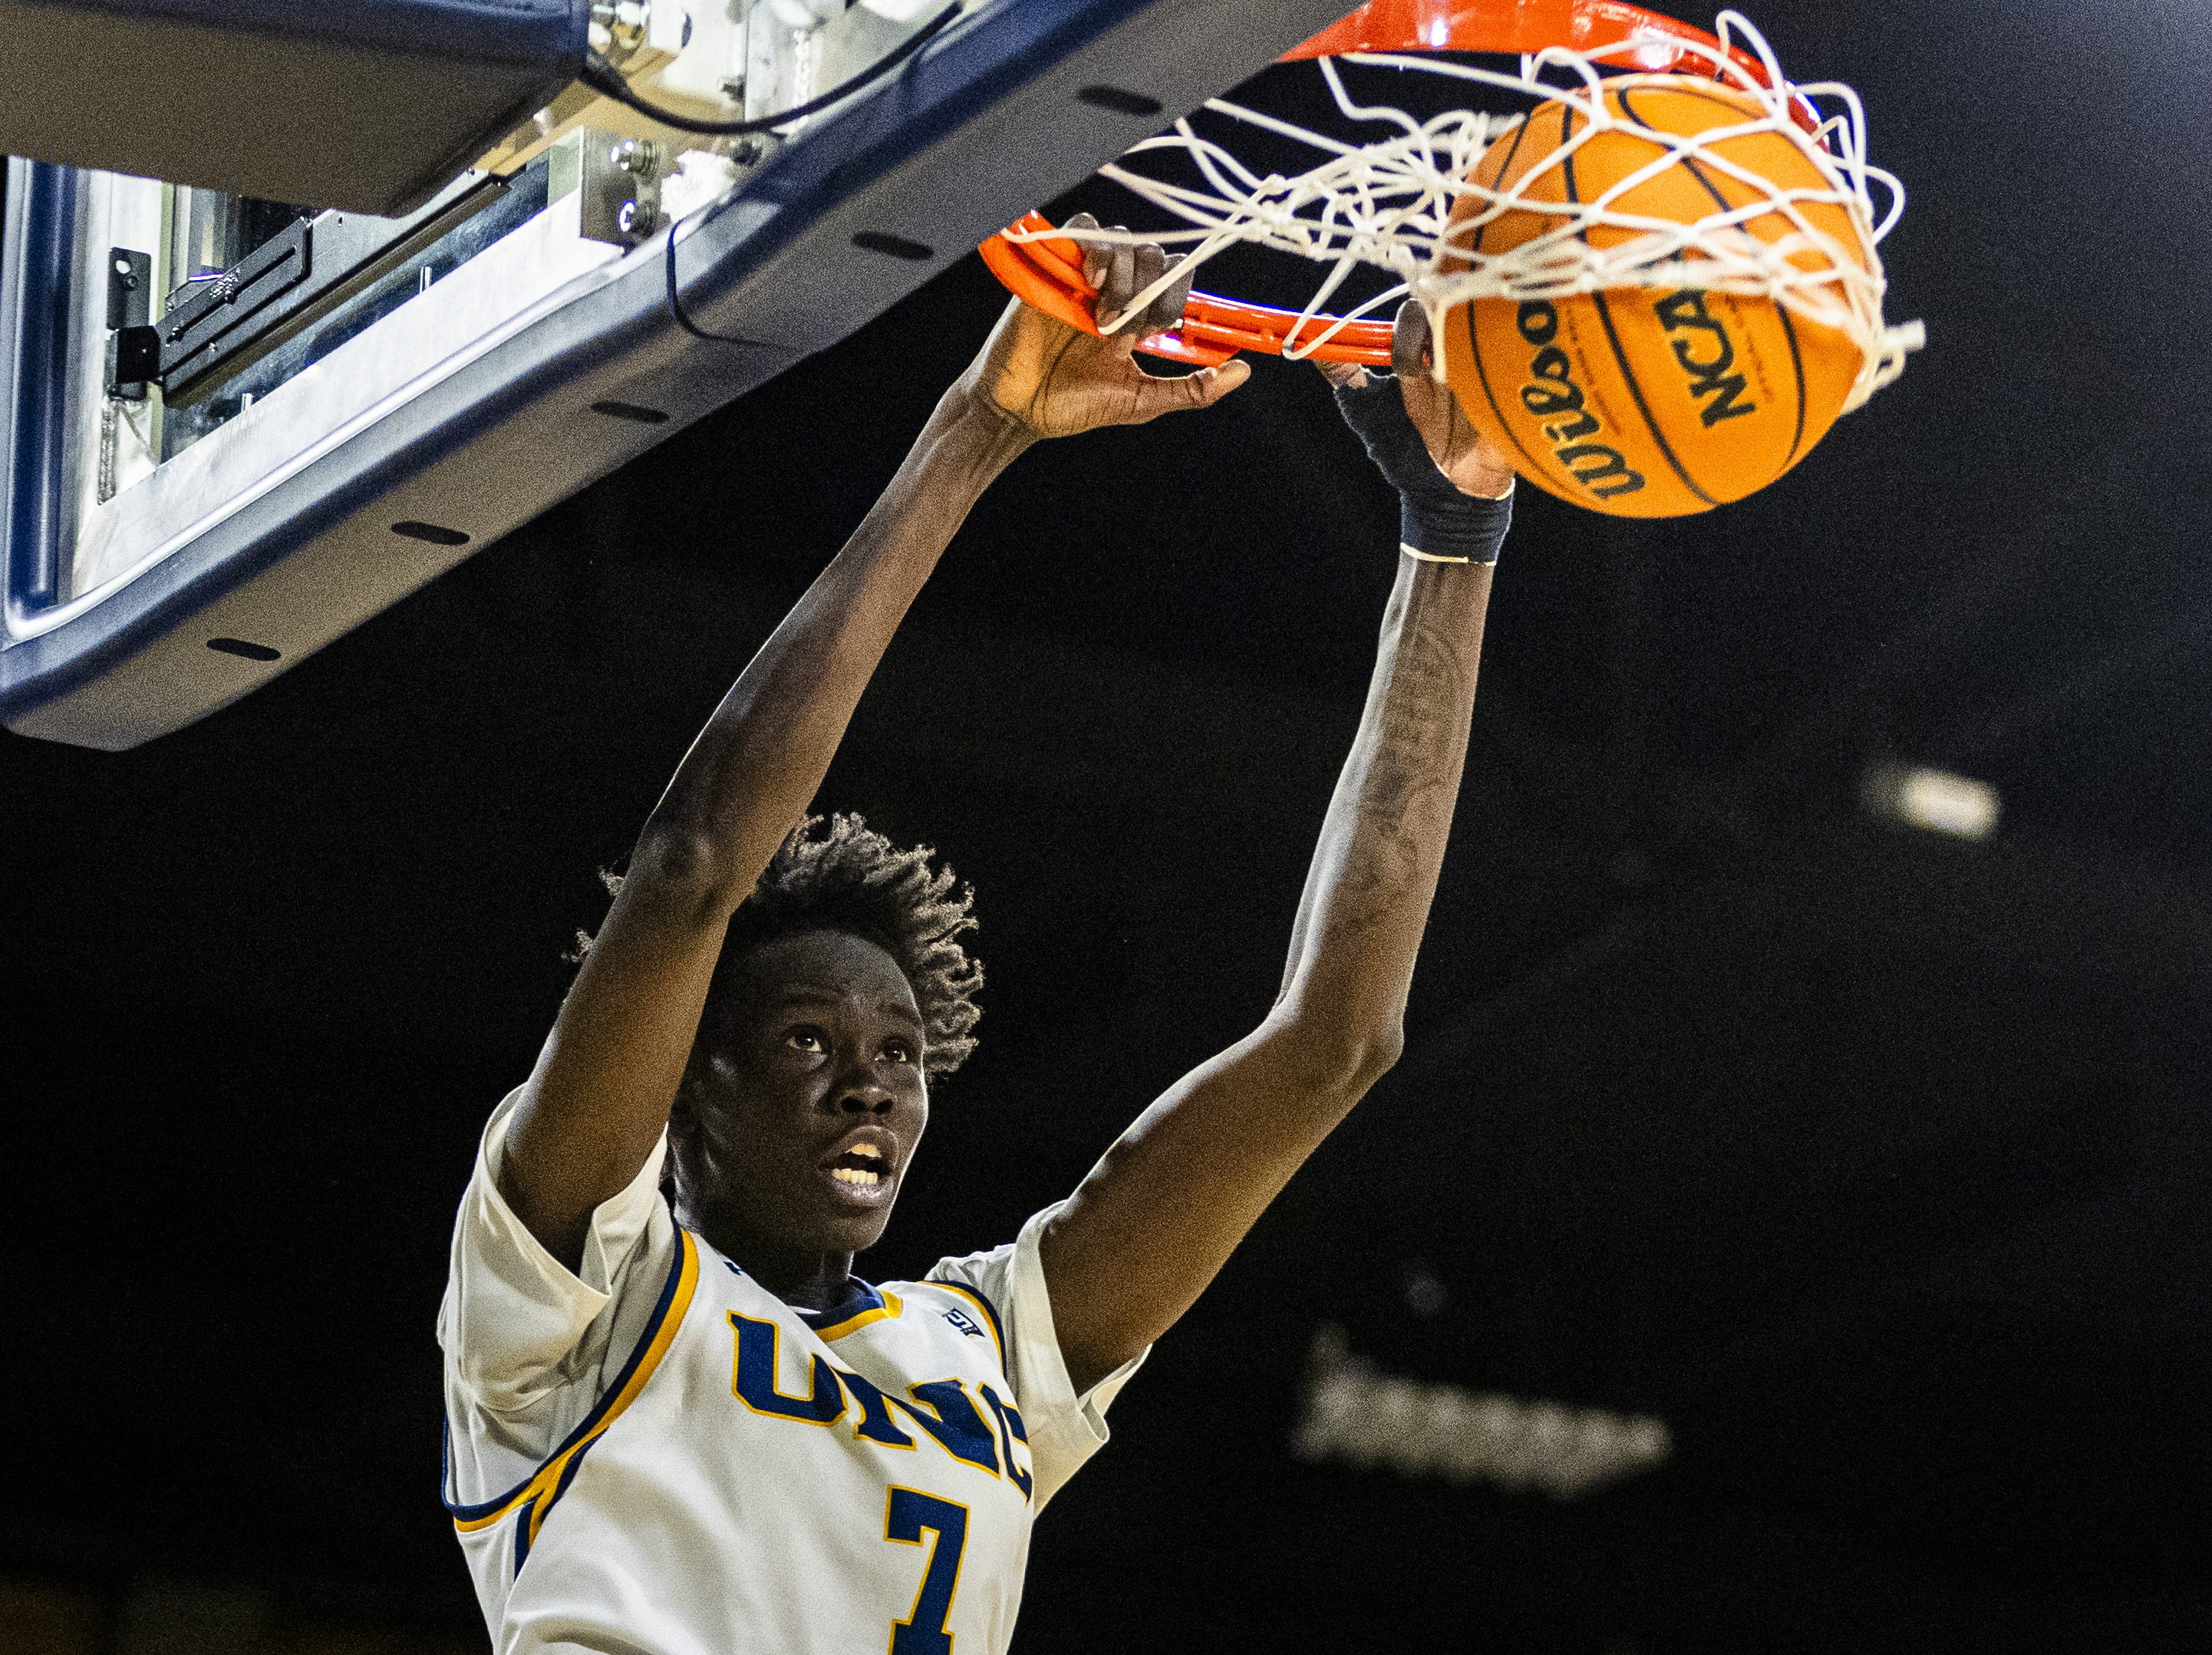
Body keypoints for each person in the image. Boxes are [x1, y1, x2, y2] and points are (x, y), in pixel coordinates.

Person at [437, 216, 1516, 1654]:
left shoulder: (990, 1351)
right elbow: (694, 867)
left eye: (896, 1049)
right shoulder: (571, 1298)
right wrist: (982, 424)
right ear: (693, 1079)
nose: (868, 1081)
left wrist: (1454, 536)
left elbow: (1335, 1041)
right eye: (808, 1040)